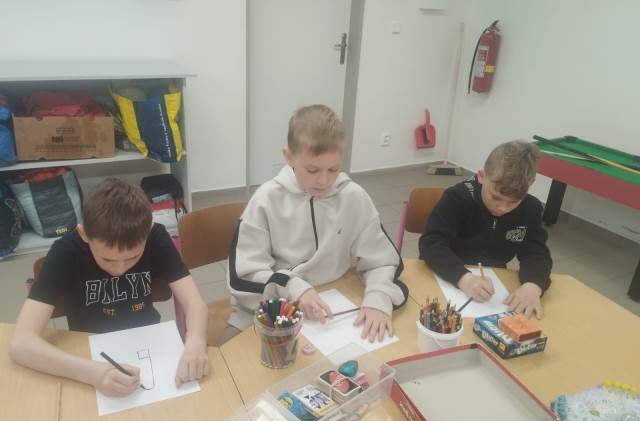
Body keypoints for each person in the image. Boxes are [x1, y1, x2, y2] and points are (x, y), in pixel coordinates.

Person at [10, 178, 209, 396]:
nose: (120, 269)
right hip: (87, 351)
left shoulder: (156, 236)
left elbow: (194, 303)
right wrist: (92, 373)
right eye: (107, 259)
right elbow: (21, 344)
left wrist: (195, 344)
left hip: (147, 342)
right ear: (84, 234)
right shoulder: (65, 252)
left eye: (133, 257)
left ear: (148, 229)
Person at [228, 104, 407, 342]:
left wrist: (378, 297)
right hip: (272, 310)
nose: (324, 181)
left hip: (336, 308)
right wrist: (294, 288)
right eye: (312, 169)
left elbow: (382, 260)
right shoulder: (266, 200)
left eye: (334, 169)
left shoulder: (353, 197)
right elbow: (244, 277)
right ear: (289, 157)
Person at [419, 140, 552, 318]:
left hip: (492, 285)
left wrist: (533, 284)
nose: (503, 208)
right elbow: (431, 244)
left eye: (513, 202)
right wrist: (463, 278)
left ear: (531, 183)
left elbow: (536, 253)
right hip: (444, 274)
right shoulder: (458, 198)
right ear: (481, 176)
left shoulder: (531, 208)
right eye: (496, 197)